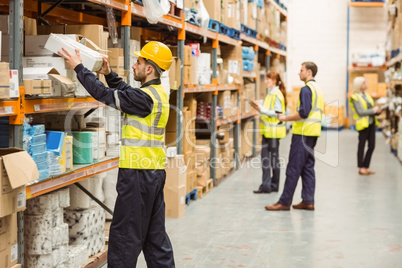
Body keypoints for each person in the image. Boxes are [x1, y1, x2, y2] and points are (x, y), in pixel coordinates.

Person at [58, 41, 175, 267]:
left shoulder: (144, 98)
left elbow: (104, 94)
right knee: (155, 238)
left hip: (138, 177)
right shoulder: (156, 93)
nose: (134, 65)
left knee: (124, 239)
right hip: (154, 174)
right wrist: (109, 73)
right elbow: (126, 91)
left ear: (149, 68)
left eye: (138, 62)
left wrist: (79, 67)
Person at [265, 62, 324, 211]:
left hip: (302, 134)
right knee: (308, 167)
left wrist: (286, 118)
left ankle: (284, 202)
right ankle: (308, 201)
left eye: (301, 70)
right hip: (313, 133)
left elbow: (303, 113)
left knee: (293, 168)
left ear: (309, 72)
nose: (299, 73)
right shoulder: (318, 89)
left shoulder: (306, 89)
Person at [251, 72, 287, 194]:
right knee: (266, 159)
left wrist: (261, 109)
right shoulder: (270, 94)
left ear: (275, 81)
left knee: (272, 160)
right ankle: (267, 186)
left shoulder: (276, 94)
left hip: (273, 132)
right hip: (268, 132)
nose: (266, 81)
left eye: (269, 79)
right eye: (266, 79)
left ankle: (273, 185)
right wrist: (259, 106)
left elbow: (277, 112)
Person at [349, 76, 381, 175]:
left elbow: (371, 108)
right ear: (359, 85)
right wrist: (373, 110)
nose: (366, 84)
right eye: (364, 83)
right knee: (361, 146)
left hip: (371, 123)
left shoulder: (366, 95)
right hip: (362, 125)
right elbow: (360, 112)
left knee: (372, 145)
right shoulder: (355, 97)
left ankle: (366, 166)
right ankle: (361, 167)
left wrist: (377, 111)